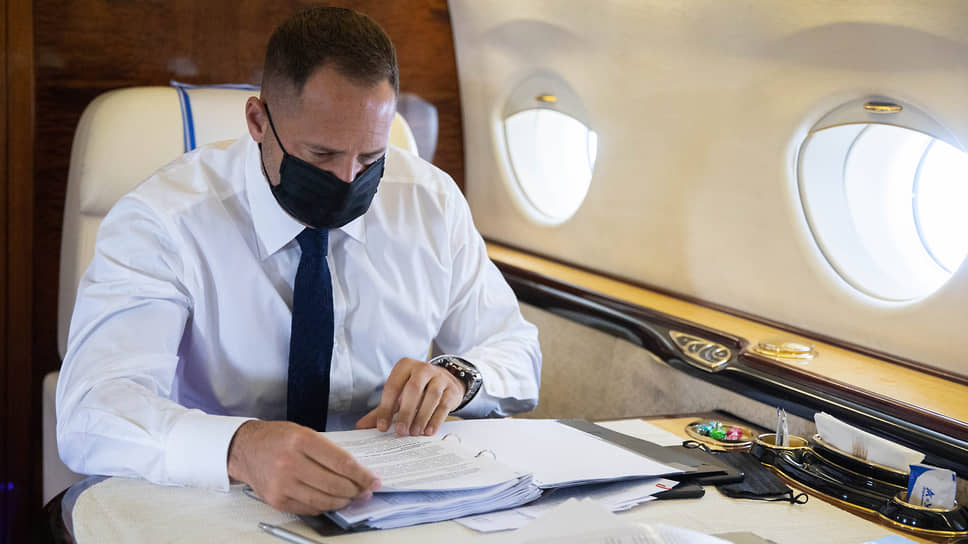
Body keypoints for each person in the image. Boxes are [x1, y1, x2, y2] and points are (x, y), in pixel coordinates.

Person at [56, 6, 541, 515]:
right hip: (218, 497)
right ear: (257, 121)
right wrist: (239, 447)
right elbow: (94, 411)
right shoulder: (164, 221)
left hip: (388, 498)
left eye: (370, 158)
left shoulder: (431, 203)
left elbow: (517, 352)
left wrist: (458, 376)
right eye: (322, 155)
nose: (348, 180)